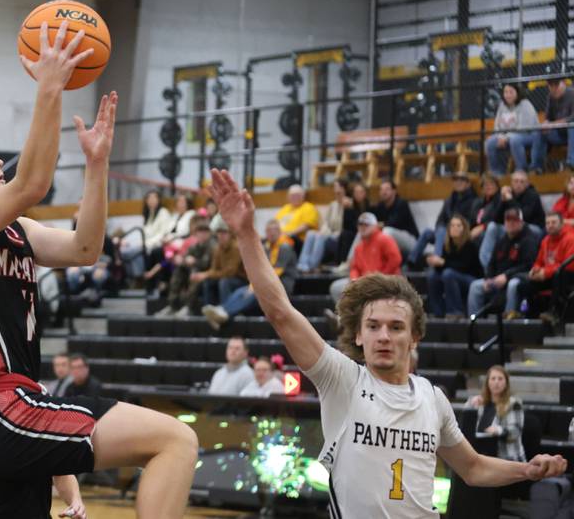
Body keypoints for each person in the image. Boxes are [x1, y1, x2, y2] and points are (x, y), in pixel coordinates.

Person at [0, 22, 197, 518]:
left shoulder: (17, 228)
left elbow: (86, 248)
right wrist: (49, 87)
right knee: (175, 440)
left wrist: (96, 166)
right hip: (4, 408)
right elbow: (32, 182)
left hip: (11, 412)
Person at [208, 167, 566, 518]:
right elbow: (281, 312)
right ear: (359, 335)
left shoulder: (433, 397)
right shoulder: (342, 380)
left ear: (414, 337)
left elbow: (472, 468)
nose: (383, 336)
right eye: (374, 326)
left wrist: (526, 470)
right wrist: (246, 234)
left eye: (396, 327)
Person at [202, 219, 297, 329]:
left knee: (254, 292)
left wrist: (255, 286)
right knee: (240, 291)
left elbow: (276, 272)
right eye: (268, 230)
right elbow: (259, 269)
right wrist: (253, 285)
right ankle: (222, 311)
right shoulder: (266, 247)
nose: (271, 233)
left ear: (280, 231)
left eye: (274, 230)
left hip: (282, 285)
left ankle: (226, 313)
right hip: (266, 283)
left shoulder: (285, 247)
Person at [468, 206, 539, 318]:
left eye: (514, 220)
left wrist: (506, 276)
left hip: (520, 278)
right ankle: (474, 323)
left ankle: (509, 321)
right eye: (508, 220)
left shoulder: (528, 240)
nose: (511, 223)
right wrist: (489, 278)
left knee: (513, 284)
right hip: (499, 279)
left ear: (521, 222)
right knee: (475, 286)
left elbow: (528, 265)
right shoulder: (503, 240)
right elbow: (491, 263)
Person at [512, 212, 574, 319]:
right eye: (548, 223)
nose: (550, 225)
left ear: (562, 224)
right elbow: (538, 262)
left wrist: (545, 272)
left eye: (553, 222)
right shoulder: (545, 241)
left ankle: (553, 313)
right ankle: (528, 315)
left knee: (559, 275)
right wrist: (535, 271)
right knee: (524, 285)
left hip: (567, 275)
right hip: (550, 275)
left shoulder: (571, 238)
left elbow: (568, 265)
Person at [408, 173, 477, 268]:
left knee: (442, 230)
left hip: (460, 233)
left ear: (468, 184)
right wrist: (442, 230)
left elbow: (470, 221)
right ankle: (411, 262)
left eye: (461, 180)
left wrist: (451, 230)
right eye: (456, 180)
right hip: (445, 233)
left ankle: (437, 259)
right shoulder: (449, 199)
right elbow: (440, 220)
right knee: (428, 232)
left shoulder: (474, 200)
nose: (458, 183)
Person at [329, 212, 402, 302]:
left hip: (385, 281)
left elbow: (395, 260)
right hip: (365, 281)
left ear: (374, 226)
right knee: (336, 288)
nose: (362, 227)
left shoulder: (384, 239)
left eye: (366, 224)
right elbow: (355, 267)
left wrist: (381, 276)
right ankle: (346, 315)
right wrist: (354, 279)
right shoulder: (358, 247)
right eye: (360, 224)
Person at [479, 170, 545, 269]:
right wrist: (502, 201)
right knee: (492, 227)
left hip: (533, 229)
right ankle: (488, 268)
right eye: (516, 181)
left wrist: (510, 200)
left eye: (522, 182)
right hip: (512, 228)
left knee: (522, 227)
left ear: (527, 184)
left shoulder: (532, 195)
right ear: (511, 183)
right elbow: (496, 219)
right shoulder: (507, 194)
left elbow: (523, 217)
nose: (518, 184)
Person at [426, 215, 482, 319]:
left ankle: (456, 311)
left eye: (458, 225)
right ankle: (438, 312)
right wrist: (435, 263)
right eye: (452, 225)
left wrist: (443, 263)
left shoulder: (470, 245)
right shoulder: (447, 245)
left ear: (464, 229)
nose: (455, 228)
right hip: (454, 276)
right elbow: (444, 266)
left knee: (448, 274)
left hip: (472, 279)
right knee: (433, 276)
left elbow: (464, 267)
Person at [156, 219, 215, 318]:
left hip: (208, 273)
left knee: (195, 272)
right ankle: (173, 305)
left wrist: (194, 262)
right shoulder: (195, 246)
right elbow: (185, 258)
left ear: (209, 233)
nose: (202, 234)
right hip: (194, 270)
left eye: (205, 231)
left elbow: (207, 264)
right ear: (196, 233)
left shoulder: (212, 246)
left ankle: (189, 307)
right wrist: (184, 260)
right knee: (179, 270)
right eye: (200, 232)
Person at [466, 366, 526, 462]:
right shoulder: (479, 402)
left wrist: (498, 430)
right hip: (482, 455)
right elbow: (465, 427)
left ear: (506, 383)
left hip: (508, 459)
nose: (496, 382)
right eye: (493, 378)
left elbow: (515, 432)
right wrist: (470, 406)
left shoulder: (514, 404)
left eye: (500, 379)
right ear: (487, 382)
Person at [189, 222, 247, 310]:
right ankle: (208, 309)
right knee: (208, 281)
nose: (221, 235)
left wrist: (206, 274)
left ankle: (226, 310)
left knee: (224, 282)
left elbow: (230, 272)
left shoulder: (236, 247)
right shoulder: (217, 248)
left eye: (224, 233)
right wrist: (204, 275)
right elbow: (213, 269)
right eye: (219, 233)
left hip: (241, 279)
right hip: (225, 276)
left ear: (230, 234)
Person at [485, 83, 540, 175]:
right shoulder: (502, 106)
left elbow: (524, 127)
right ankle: (496, 173)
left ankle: (521, 170)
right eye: (506, 92)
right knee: (490, 142)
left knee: (515, 140)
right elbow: (497, 125)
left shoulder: (525, 104)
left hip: (530, 135)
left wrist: (506, 137)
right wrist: (500, 136)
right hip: (508, 137)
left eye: (511, 92)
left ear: (517, 93)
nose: (508, 95)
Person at [121, 189, 172, 280]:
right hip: (145, 244)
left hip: (155, 244)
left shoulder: (163, 212)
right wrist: (130, 242)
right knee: (124, 251)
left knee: (128, 252)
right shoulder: (148, 215)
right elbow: (142, 234)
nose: (151, 200)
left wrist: (146, 243)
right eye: (149, 198)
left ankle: (138, 277)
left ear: (159, 200)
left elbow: (163, 233)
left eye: (154, 198)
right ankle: (136, 277)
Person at [298, 178, 347, 272]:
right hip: (329, 232)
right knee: (311, 233)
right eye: (334, 187)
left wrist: (325, 234)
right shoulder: (333, 205)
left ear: (344, 188)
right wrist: (323, 232)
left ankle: (312, 265)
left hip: (339, 235)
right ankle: (302, 264)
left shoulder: (348, 203)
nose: (335, 190)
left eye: (337, 187)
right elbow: (326, 223)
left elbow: (346, 224)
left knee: (320, 237)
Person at [530, 77, 574, 172]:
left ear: (563, 83)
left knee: (572, 126)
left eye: (556, 85)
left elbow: (572, 118)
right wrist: (545, 124)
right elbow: (548, 117)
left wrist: (553, 124)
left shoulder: (572, 94)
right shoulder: (551, 97)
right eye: (551, 85)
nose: (554, 88)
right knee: (540, 131)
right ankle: (537, 167)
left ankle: (571, 163)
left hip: (571, 134)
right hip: (559, 134)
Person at [373, 179, 420, 256]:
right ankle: (350, 262)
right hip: (393, 241)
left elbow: (393, 223)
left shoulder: (401, 203)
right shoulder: (380, 206)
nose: (384, 192)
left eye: (387, 189)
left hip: (411, 240)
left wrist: (379, 225)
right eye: (381, 189)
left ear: (394, 191)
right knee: (365, 229)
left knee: (387, 231)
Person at [332, 181, 371, 274]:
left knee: (351, 234)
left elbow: (369, 223)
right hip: (354, 231)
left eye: (360, 192)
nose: (358, 194)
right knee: (345, 233)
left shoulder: (370, 206)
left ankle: (348, 263)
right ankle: (341, 262)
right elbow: (346, 224)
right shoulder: (350, 206)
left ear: (365, 193)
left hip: (366, 233)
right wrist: (348, 209)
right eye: (356, 192)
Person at [470, 173, 502, 245]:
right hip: (476, 229)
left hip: (492, 230)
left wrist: (483, 227)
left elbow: (498, 219)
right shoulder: (477, 202)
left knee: (479, 237)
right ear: (482, 188)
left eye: (491, 184)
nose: (488, 187)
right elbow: (471, 220)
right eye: (486, 184)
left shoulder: (500, 200)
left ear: (497, 187)